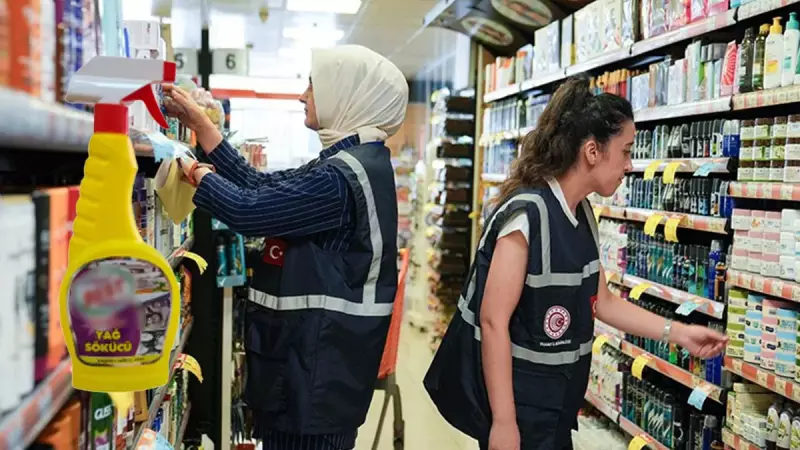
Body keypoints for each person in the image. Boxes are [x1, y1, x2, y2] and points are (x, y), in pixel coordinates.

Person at [423, 77, 728, 450]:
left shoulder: (582, 213)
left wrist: (680, 333)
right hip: (521, 412)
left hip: (557, 409)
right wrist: (504, 421)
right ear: (592, 151)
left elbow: (604, 303)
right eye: (626, 151)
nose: (629, 165)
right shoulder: (527, 216)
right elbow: (493, 321)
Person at [164, 44, 408, 450]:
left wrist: (194, 171)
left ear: (347, 92)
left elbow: (250, 210)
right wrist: (204, 130)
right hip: (314, 372)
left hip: (313, 380)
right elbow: (264, 188)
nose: (303, 95)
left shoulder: (341, 178)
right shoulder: (350, 162)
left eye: (313, 84)